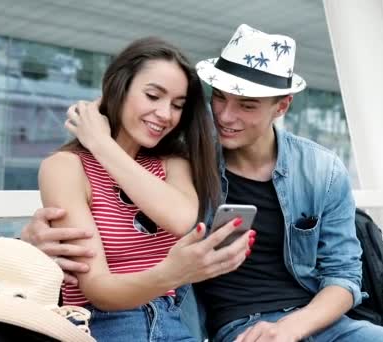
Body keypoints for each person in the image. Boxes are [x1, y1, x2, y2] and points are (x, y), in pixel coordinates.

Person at [23, 25, 383, 341]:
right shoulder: (193, 155)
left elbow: (344, 276)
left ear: (282, 106)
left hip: (315, 319)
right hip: (226, 325)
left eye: (247, 105)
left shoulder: (320, 170)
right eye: (220, 99)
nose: (226, 116)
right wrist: (28, 239)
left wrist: (290, 328)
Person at [36, 37, 254, 341]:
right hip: (103, 325)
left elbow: (179, 218)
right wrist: (171, 273)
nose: (165, 114)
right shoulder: (64, 167)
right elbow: (98, 289)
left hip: (171, 321)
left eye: (177, 105)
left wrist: (101, 144)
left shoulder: (173, 163)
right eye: (153, 95)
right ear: (119, 87)